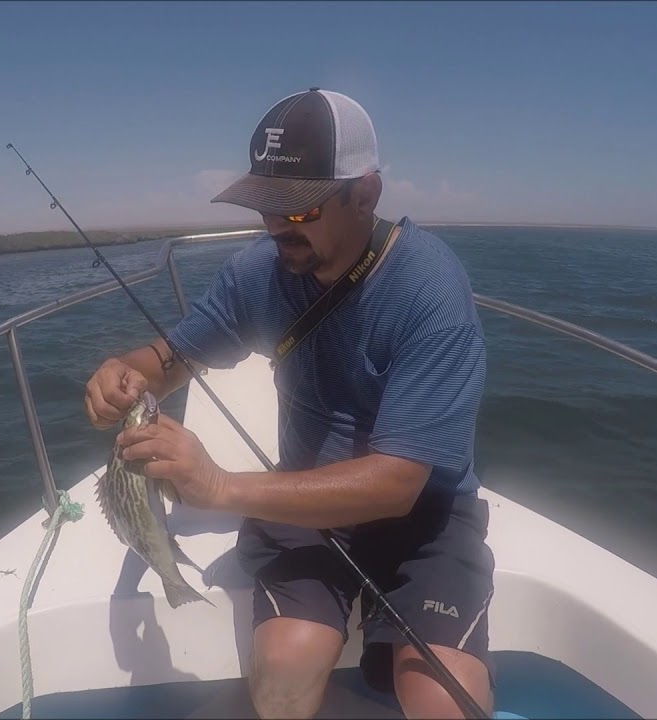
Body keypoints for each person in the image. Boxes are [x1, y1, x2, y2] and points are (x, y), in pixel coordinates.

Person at [83, 88, 495, 719]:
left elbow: (398, 484)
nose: (276, 228)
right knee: (280, 674)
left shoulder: (431, 291)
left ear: (366, 196)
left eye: (298, 210)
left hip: (426, 519)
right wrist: (124, 374)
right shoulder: (261, 271)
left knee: (443, 698)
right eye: (266, 207)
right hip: (305, 504)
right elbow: (170, 359)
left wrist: (218, 487)